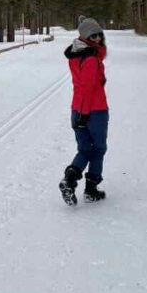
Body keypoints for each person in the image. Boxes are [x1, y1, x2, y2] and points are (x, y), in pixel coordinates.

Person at [59, 17, 109, 205]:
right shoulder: (90, 59)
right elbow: (88, 88)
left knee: (85, 149)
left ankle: (69, 181)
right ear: (85, 37)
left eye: (99, 34)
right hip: (94, 110)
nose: (98, 38)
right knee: (98, 149)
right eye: (93, 35)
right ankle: (90, 189)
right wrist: (86, 114)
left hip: (77, 108)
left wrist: (80, 114)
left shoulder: (77, 54)